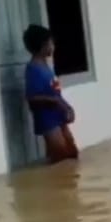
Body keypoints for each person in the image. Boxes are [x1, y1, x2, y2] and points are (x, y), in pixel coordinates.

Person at [23, 24, 78, 164]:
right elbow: (32, 98)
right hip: (48, 120)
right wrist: (58, 103)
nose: (53, 46)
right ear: (42, 46)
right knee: (61, 159)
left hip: (59, 116)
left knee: (72, 154)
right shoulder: (33, 70)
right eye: (50, 43)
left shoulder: (46, 66)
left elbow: (55, 92)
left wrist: (67, 107)